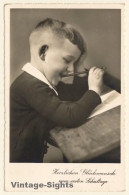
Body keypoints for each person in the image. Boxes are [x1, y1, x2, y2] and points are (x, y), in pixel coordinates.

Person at [10, 18, 104, 163]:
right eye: (67, 61)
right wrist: (95, 90)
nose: (71, 69)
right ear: (43, 53)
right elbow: (70, 116)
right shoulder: (31, 86)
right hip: (17, 162)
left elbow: (63, 105)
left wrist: (79, 69)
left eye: (75, 63)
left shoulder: (34, 82)